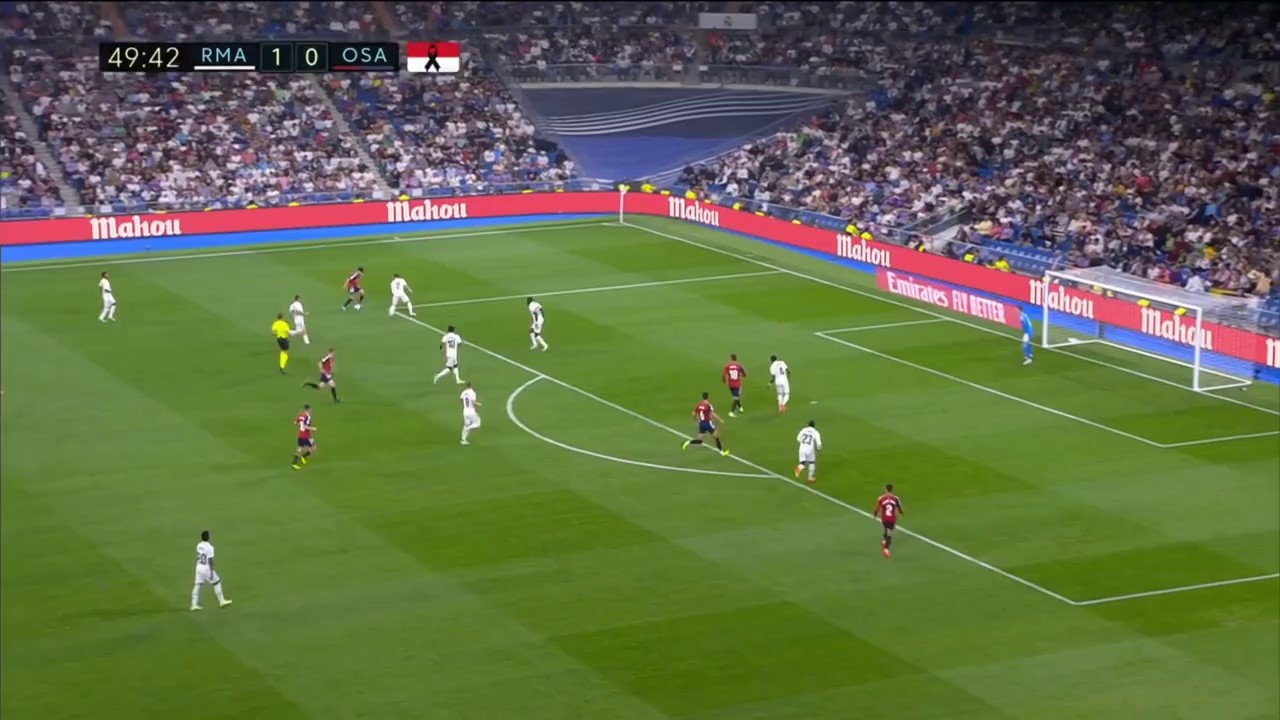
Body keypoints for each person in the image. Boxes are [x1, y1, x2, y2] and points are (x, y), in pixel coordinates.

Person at [190, 530, 232, 611]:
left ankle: (193, 605)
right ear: (208, 537)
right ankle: (222, 601)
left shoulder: (199, 545)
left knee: (197, 585)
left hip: (199, 567)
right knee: (216, 582)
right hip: (206, 568)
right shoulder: (210, 547)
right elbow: (210, 560)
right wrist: (212, 571)